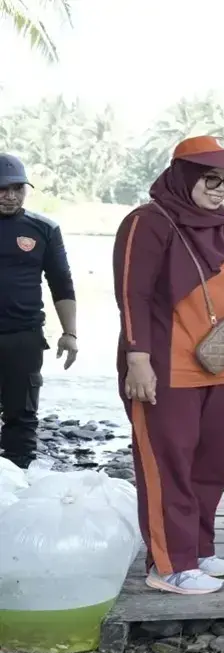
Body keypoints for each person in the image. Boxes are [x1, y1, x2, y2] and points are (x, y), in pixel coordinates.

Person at [112, 136, 224, 595]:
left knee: (211, 465)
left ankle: (200, 550)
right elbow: (132, 295)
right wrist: (137, 359)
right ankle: (170, 565)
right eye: (210, 178)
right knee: (169, 467)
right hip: (166, 369)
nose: (220, 188)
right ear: (183, 174)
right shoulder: (148, 221)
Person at [0, 153, 78, 469]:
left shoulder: (44, 228)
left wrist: (70, 333)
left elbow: (62, 283)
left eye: (17, 188)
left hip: (24, 336)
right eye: (3, 189)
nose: (10, 196)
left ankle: (18, 477)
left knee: (22, 415)